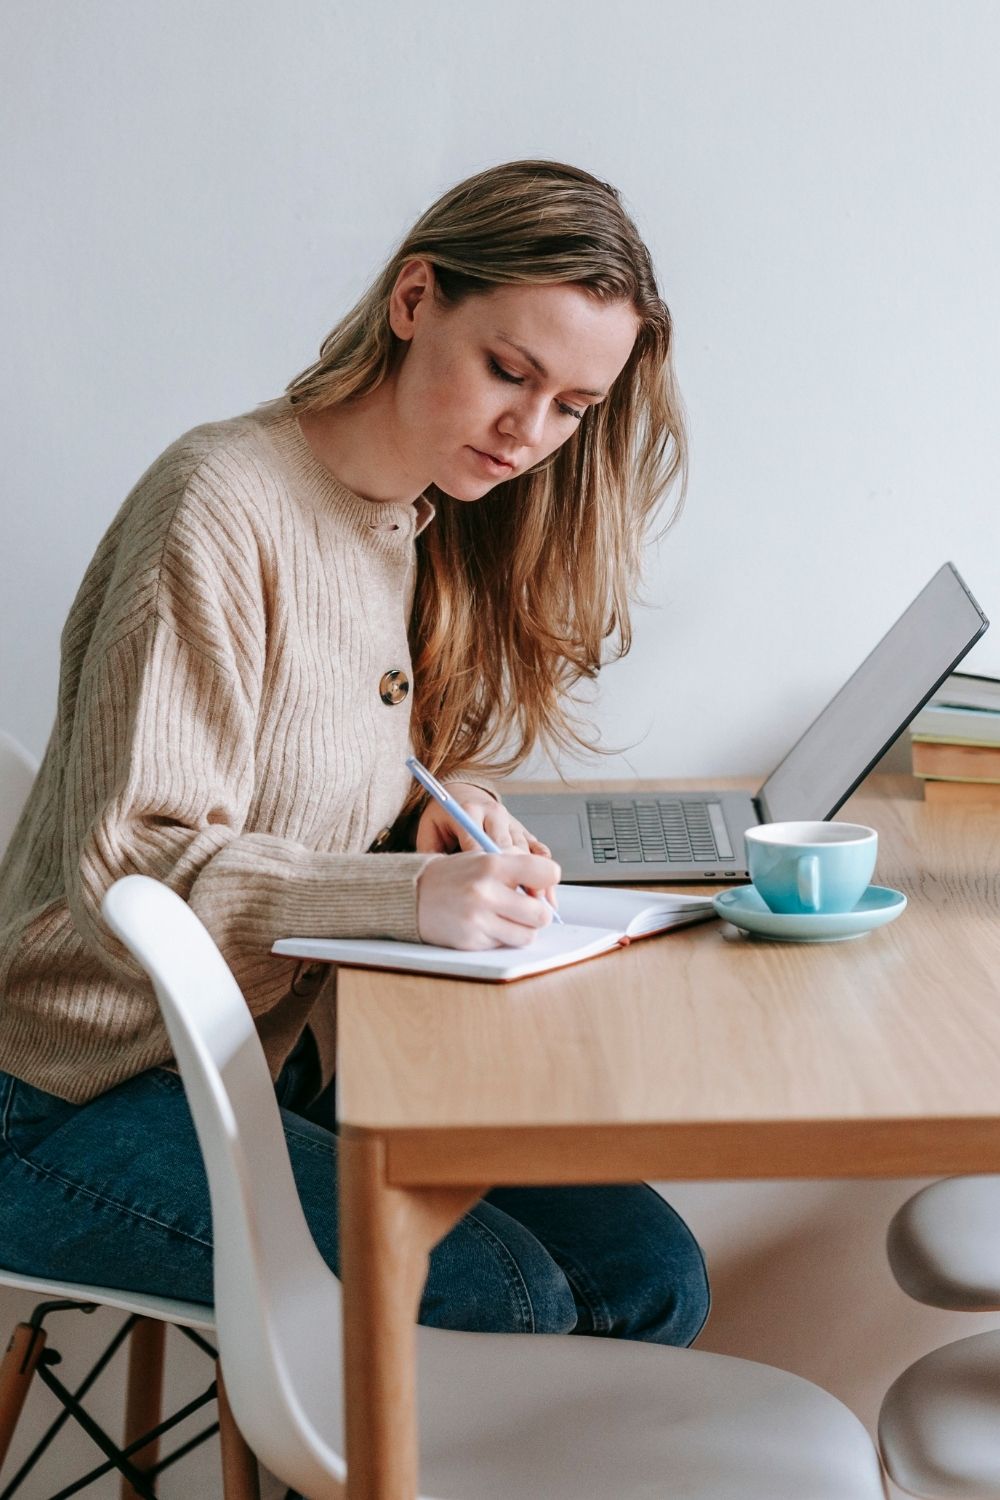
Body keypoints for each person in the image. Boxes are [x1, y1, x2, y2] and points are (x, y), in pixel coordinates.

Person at [0, 160, 709, 1348]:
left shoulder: (407, 520)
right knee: (502, 1295)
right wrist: (405, 894)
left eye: (572, 407)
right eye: (508, 371)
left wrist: (419, 822)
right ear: (415, 299)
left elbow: (289, 780)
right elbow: (130, 865)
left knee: (649, 1272)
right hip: (69, 1092)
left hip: (256, 1062)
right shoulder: (219, 504)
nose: (528, 433)